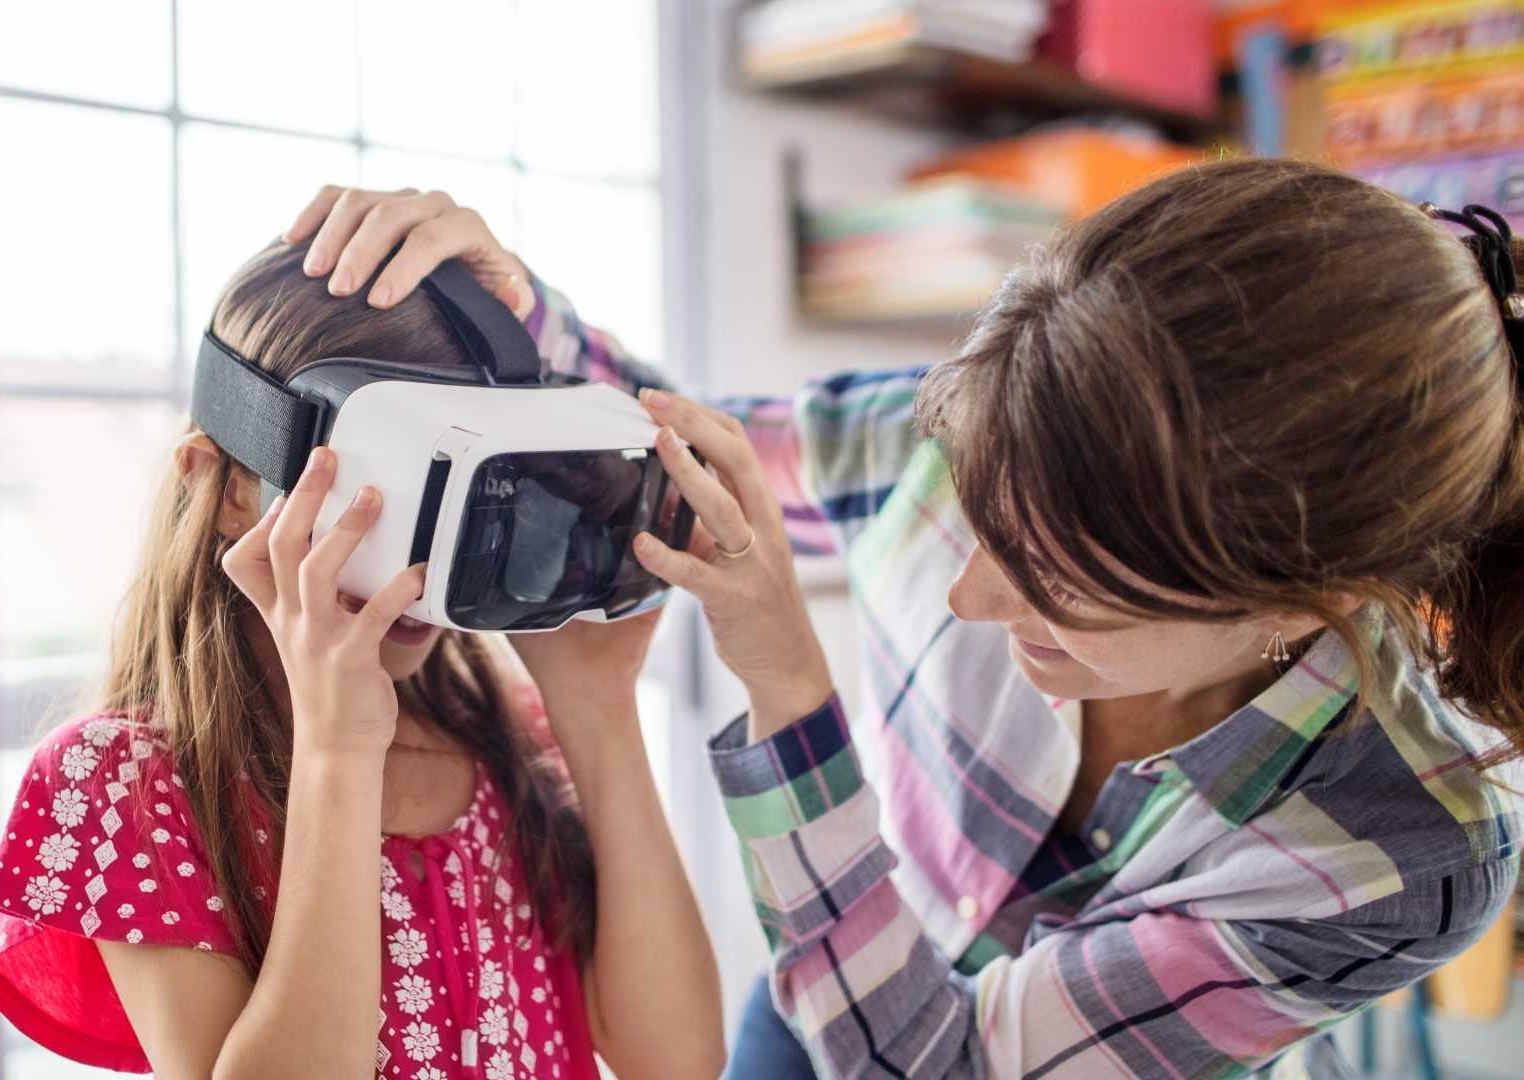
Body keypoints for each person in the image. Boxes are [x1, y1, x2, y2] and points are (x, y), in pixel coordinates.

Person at [293, 158, 1524, 1078]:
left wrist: (787, 692)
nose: (968, 594)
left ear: (1308, 601)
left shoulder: (1409, 852)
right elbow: (686, 447)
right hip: (818, 971)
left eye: (1059, 581)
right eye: (975, 512)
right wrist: (512, 308)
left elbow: (943, 1068)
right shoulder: (969, 438)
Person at [0, 242, 726, 1079]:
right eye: (385, 499)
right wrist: (338, 745)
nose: (419, 570)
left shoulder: (512, 738)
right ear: (223, 489)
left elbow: (678, 1061)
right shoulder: (128, 782)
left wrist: (599, 707)